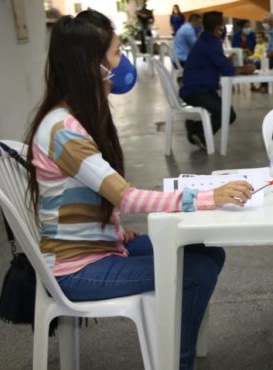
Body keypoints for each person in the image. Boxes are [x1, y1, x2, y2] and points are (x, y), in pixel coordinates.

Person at [23, 10, 253, 370]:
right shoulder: (63, 130)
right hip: (77, 268)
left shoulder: (78, 115)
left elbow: (92, 192)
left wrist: (113, 229)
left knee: (207, 252)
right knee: (197, 271)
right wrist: (209, 197)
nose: (123, 62)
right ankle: (177, 361)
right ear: (93, 66)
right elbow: (125, 196)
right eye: (115, 54)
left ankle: (177, 350)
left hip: (103, 246)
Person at [180, 11, 256, 149]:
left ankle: (194, 127)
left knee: (227, 113)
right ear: (218, 27)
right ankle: (202, 135)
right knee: (227, 114)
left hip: (197, 88)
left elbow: (217, 62)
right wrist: (245, 69)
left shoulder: (205, 39)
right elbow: (227, 70)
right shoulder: (211, 42)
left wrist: (228, 62)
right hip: (197, 91)